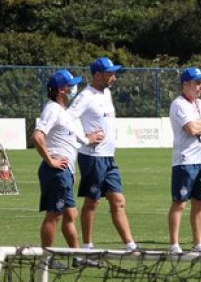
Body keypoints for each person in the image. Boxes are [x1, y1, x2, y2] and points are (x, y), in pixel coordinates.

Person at [70, 57, 137, 252]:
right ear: (97, 75)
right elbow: (67, 119)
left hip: (108, 157)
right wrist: (85, 137)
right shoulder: (85, 97)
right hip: (92, 157)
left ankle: (130, 245)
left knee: (118, 200)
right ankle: (87, 246)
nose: (114, 77)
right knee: (92, 202)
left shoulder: (106, 92)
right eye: (110, 74)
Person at [33, 70, 102, 253]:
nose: (74, 88)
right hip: (56, 171)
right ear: (62, 89)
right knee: (54, 215)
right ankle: (46, 257)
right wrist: (50, 161)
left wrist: (89, 139)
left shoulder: (63, 112)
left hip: (66, 172)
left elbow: (73, 138)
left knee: (70, 213)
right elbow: (38, 136)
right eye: (71, 85)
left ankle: (77, 255)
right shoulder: (52, 110)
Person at [167, 67, 201, 254]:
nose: (200, 87)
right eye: (197, 83)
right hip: (185, 160)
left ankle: (198, 242)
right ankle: (174, 243)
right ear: (185, 84)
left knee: (200, 203)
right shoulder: (179, 104)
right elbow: (190, 128)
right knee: (180, 202)